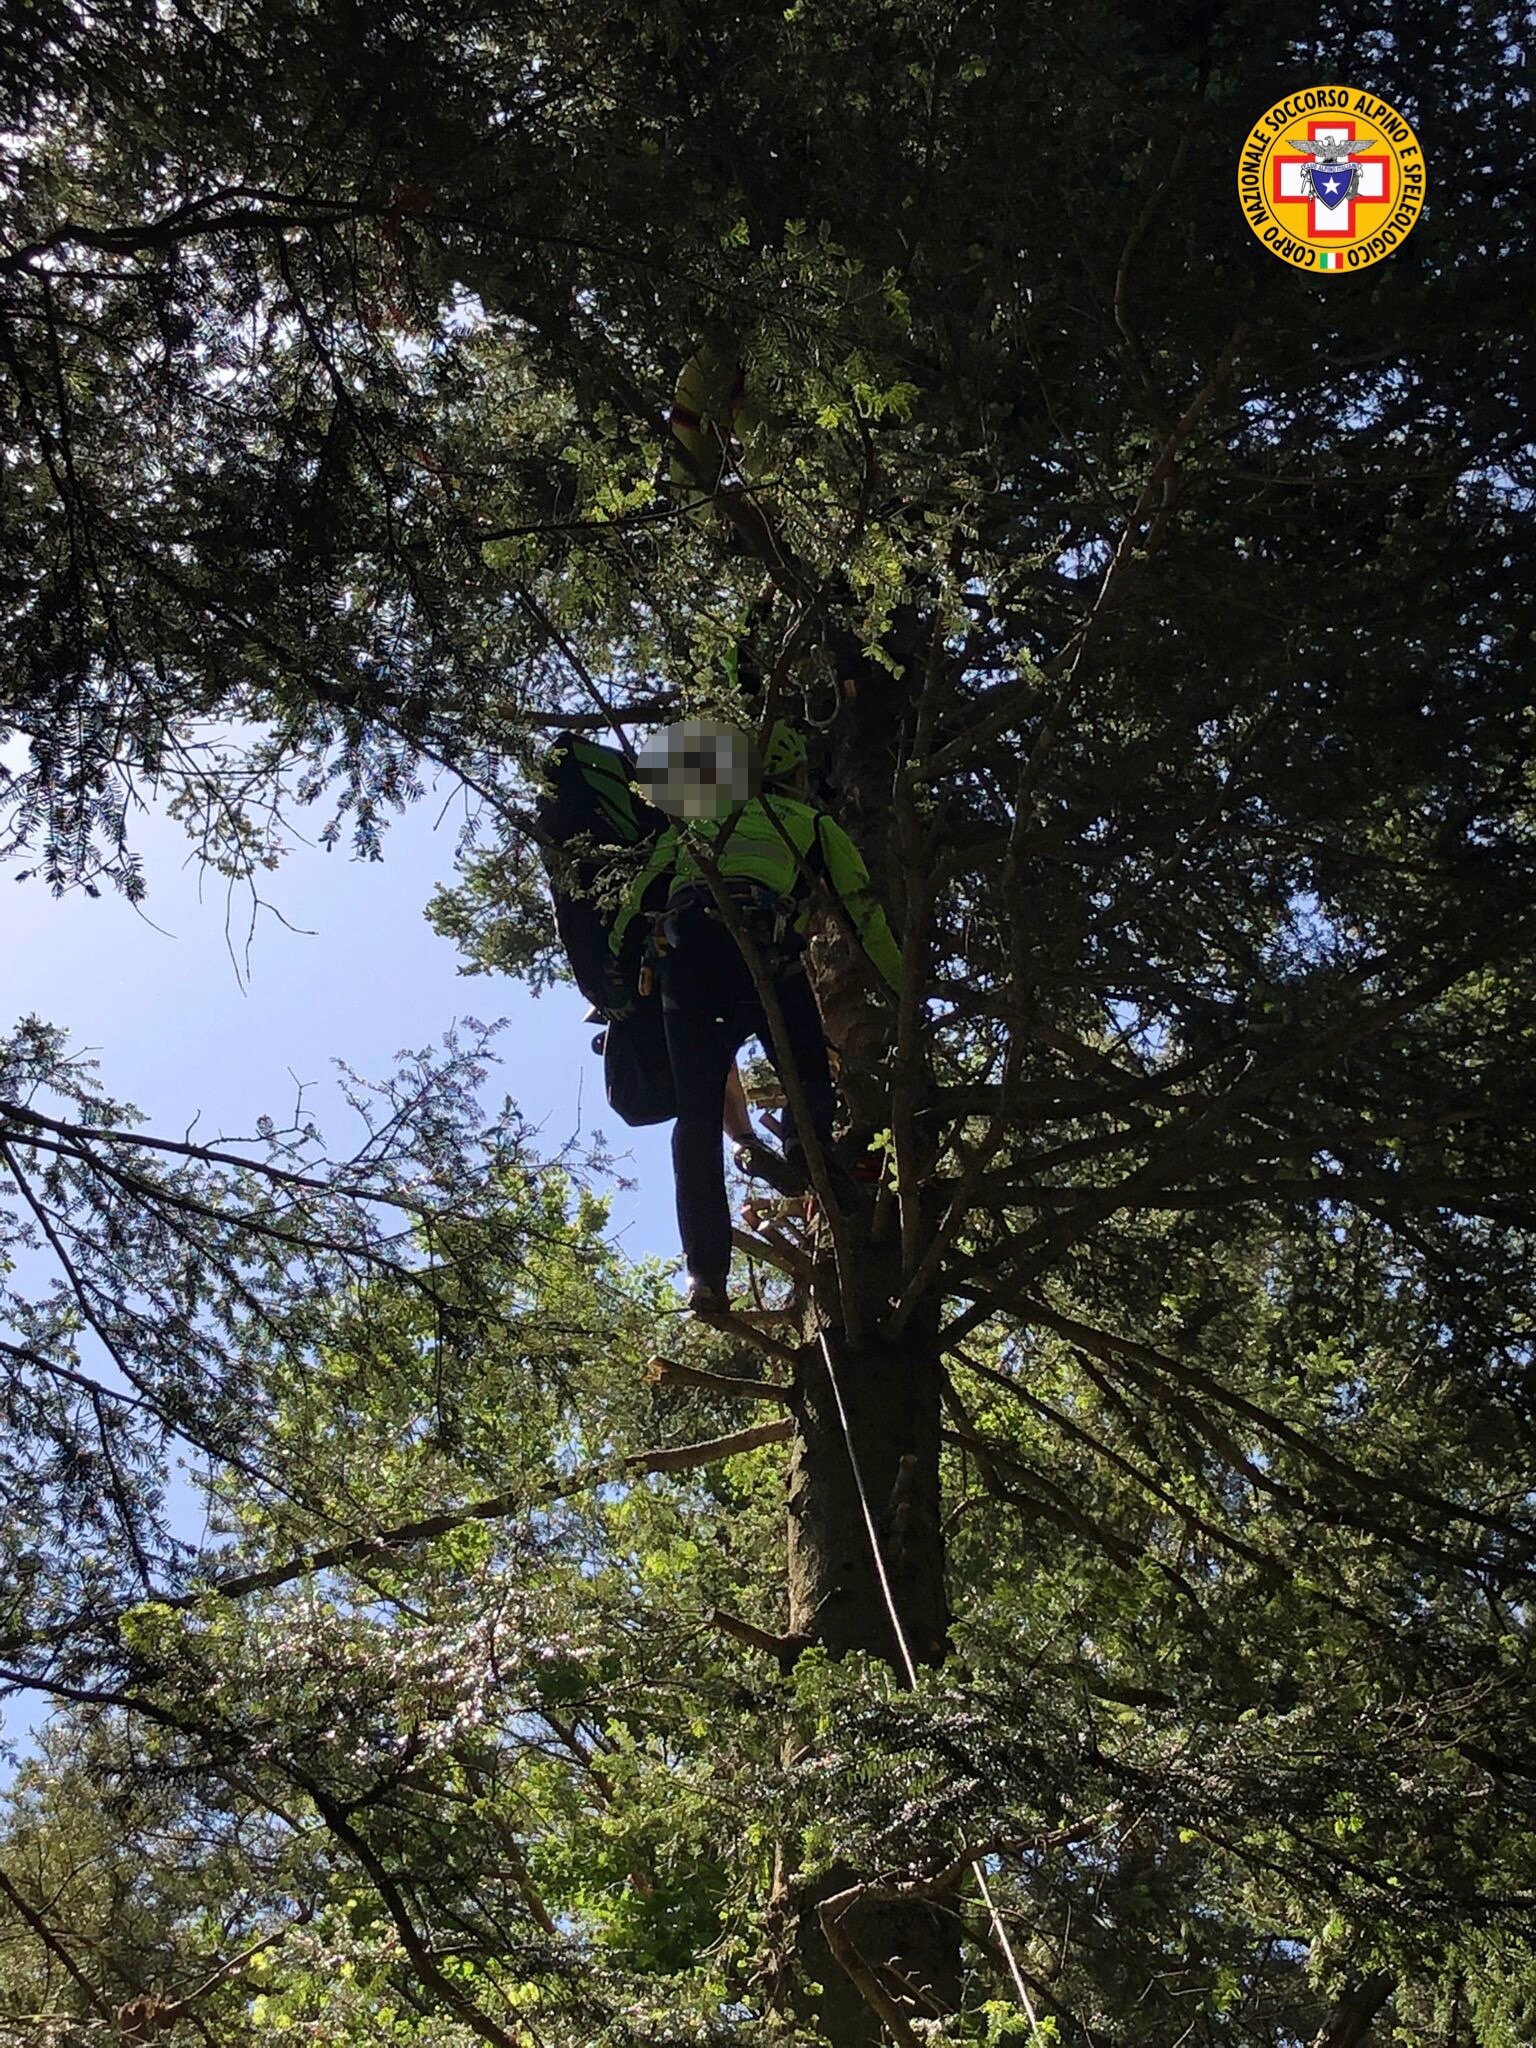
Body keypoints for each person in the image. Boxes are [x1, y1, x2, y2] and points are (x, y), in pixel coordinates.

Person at [609, 721, 902, 1313]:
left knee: (694, 1119)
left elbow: (639, 899)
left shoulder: (699, 823)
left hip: (688, 959)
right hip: (765, 958)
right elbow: (863, 914)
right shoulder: (814, 823)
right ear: (794, 775)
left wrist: (618, 979)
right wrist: (902, 990)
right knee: (808, 1074)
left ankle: (706, 1277)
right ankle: (805, 1151)